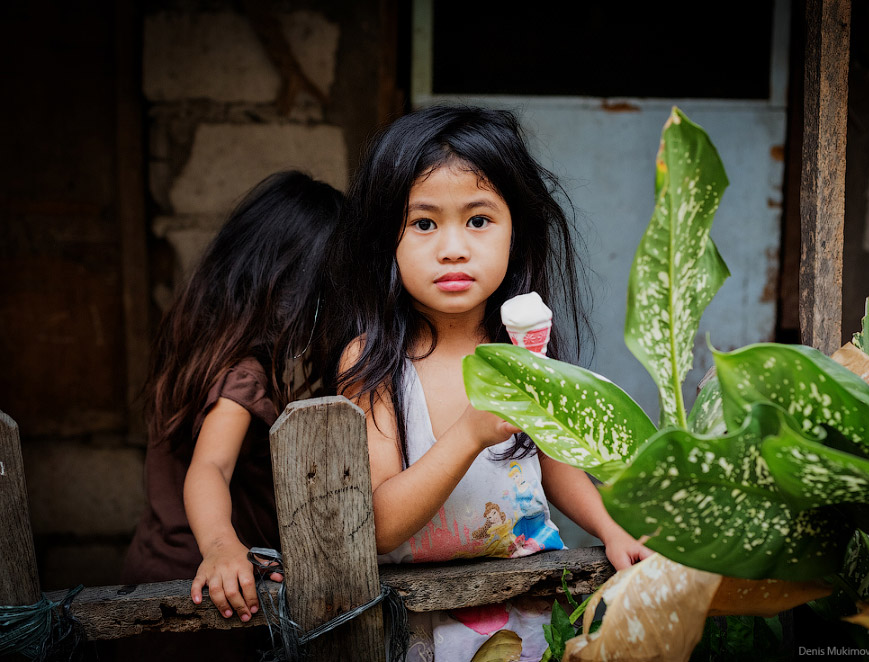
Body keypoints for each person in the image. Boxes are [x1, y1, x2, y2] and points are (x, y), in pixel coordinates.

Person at [333, 105, 652, 662]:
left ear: (515, 232)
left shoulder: (521, 351)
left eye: (478, 220)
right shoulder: (373, 362)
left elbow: (554, 465)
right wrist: (470, 432)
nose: (453, 247)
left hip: (527, 612)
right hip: (418, 625)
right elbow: (380, 527)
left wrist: (610, 525)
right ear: (387, 238)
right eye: (424, 223)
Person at [121, 170, 344, 630]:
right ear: (299, 286)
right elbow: (211, 466)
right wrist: (222, 545)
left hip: (158, 570)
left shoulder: (203, 341)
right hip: (206, 596)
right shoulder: (243, 374)